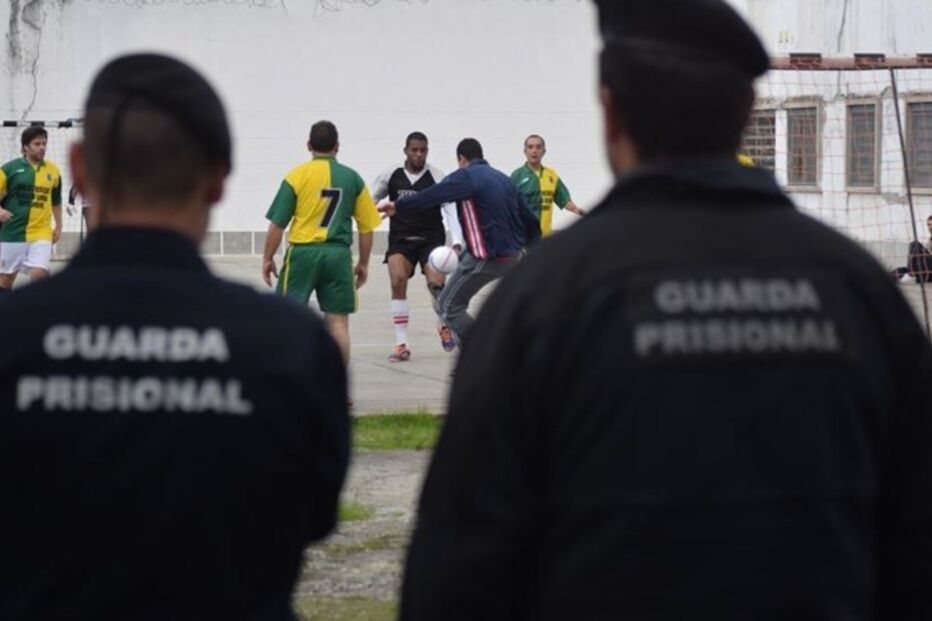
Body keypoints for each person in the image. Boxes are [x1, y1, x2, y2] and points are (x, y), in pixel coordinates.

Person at [401, 1, 932, 620]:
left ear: (611, 112)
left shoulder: (543, 300)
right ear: (744, 116)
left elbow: (460, 565)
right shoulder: (859, 291)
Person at [0, 54, 349, 620]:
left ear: (81, 171)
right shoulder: (292, 348)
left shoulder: (12, 337)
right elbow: (314, 515)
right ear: (217, 180)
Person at [378, 138, 539, 351]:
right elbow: (530, 218)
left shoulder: (466, 176)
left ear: (461, 159)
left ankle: (481, 358)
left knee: (449, 307)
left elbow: (433, 195)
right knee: (443, 301)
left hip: (489, 257)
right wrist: (536, 252)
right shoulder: (504, 179)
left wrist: (399, 205)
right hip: (510, 255)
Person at [262, 120, 381, 374]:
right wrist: (363, 263)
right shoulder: (352, 178)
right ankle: (336, 389)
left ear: (309, 145)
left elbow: (277, 224)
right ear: (337, 147)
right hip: (338, 255)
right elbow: (367, 227)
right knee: (338, 324)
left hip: (303, 253)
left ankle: (289, 382)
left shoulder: (297, 176)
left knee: (288, 318)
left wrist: (267, 257)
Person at [371, 131, 465, 361]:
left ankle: (443, 325)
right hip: (401, 239)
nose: (419, 154)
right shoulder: (391, 174)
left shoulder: (437, 177)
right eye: (414, 150)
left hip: (431, 240)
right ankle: (401, 343)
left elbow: (452, 210)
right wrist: (370, 217)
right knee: (397, 279)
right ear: (406, 150)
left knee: (436, 285)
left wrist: (457, 243)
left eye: (423, 150)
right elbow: (369, 200)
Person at [0, 126, 63, 290]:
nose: (42, 147)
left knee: (40, 274)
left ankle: (38, 313)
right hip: (12, 233)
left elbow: (56, 201)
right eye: (37, 144)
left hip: (41, 233)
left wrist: (59, 226)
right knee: (6, 279)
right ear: (25, 147)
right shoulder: (9, 169)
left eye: (44, 143)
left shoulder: (53, 171)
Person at [510, 134, 586, 237]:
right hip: (525, 237)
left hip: (545, 236)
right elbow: (509, 206)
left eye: (538, 147)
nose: (534, 150)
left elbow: (563, 199)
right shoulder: (516, 176)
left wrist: (576, 210)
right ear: (525, 151)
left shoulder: (551, 175)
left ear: (544, 152)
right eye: (530, 147)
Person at [891, 214, 932, 283]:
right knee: (901, 270)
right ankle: (883, 278)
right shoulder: (929, 241)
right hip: (924, 273)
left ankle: (911, 275)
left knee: (915, 245)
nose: (930, 227)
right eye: (928, 225)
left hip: (930, 274)